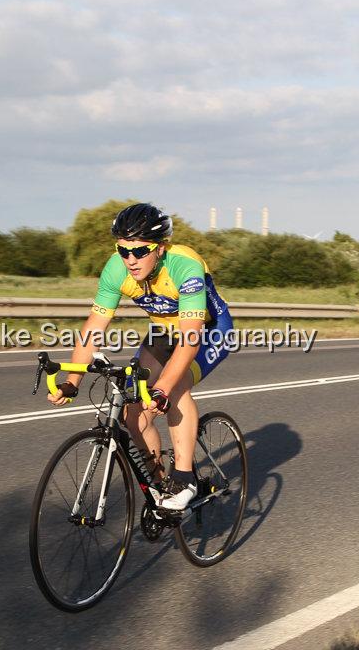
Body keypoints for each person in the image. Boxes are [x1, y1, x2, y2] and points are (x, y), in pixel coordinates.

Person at [47, 203, 232, 510]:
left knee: (174, 387)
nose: (130, 260)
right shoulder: (117, 269)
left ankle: (185, 478)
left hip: (208, 330)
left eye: (140, 251)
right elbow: (94, 326)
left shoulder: (184, 266)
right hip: (162, 332)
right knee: (134, 412)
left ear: (160, 248)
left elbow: (190, 338)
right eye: (123, 250)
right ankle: (161, 487)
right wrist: (72, 381)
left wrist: (161, 389)